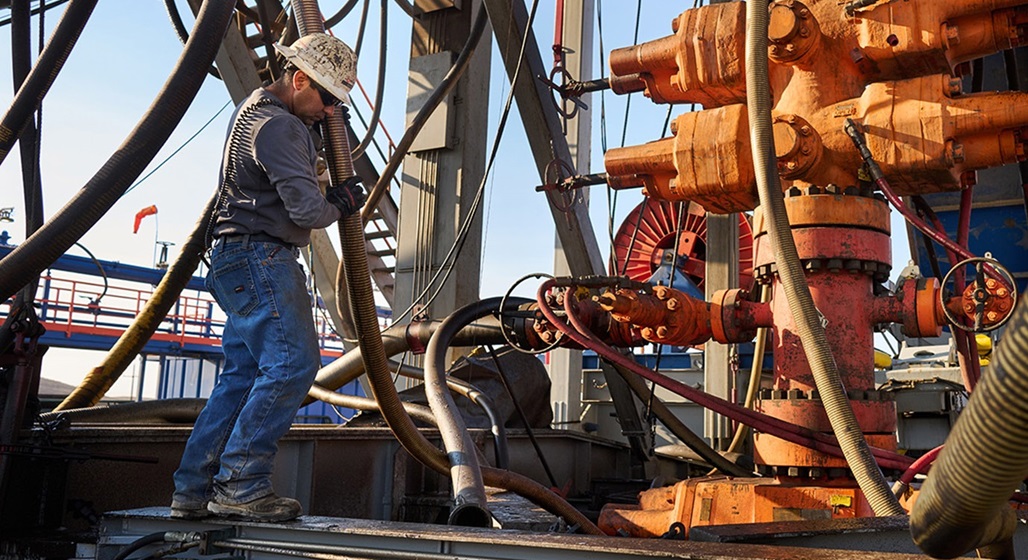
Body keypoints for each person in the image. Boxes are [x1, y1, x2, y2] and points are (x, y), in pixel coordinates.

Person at [169, 33, 366, 523]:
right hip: (262, 257)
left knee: (239, 378)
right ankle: (241, 482)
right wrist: (339, 202)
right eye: (326, 99)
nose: (329, 111)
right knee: (294, 366)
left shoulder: (255, 112)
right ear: (299, 79)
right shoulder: (281, 128)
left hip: (236, 259)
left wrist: (317, 133)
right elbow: (306, 209)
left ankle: (193, 489)